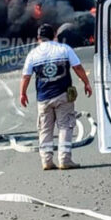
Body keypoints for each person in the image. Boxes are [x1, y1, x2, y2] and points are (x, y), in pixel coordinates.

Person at [20, 23, 92, 170]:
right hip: (63, 95)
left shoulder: (33, 54)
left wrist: (23, 93)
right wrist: (86, 83)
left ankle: (46, 161)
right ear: (54, 35)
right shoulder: (64, 49)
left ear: (38, 38)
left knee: (45, 129)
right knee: (65, 125)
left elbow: (26, 76)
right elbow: (77, 67)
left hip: (43, 98)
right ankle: (64, 160)